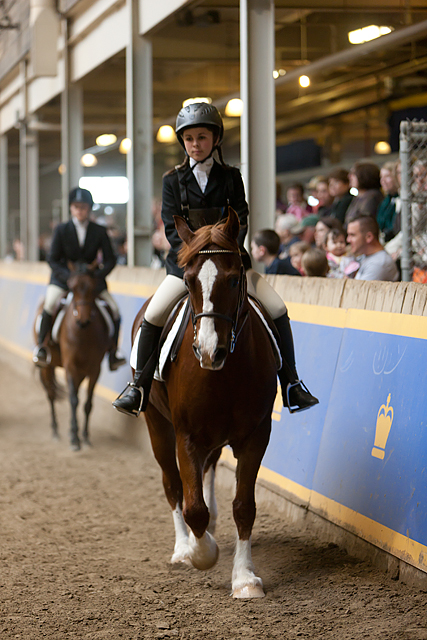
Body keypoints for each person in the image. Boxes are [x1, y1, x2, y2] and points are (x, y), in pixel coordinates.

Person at [113, 103, 318, 416]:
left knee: (277, 308)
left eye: (202, 137)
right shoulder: (173, 180)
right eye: (190, 139)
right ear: (183, 142)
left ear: (215, 139)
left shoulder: (231, 177)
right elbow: (171, 226)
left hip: (230, 265)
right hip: (186, 267)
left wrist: (223, 248)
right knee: (152, 315)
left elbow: (243, 219)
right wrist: (197, 249)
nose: (196, 145)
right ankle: (138, 386)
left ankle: (292, 383)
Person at [33, 187, 127, 371]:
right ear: (71, 209)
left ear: (89, 209)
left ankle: (114, 352)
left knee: (114, 309)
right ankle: (42, 347)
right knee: (50, 304)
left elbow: (110, 259)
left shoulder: (99, 231)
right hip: (64, 280)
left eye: (83, 207)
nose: (79, 211)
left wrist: (97, 276)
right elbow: (52, 258)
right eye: (76, 207)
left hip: (91, 282)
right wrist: (68, 277)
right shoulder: (61, 230)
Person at [346, 215, 399, 282]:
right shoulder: (366, 257)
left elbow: (359, 291)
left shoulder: (379, 263)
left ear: (369, 237)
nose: (348, 240)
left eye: (352, 235)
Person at [376, 161, 401, 244]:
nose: (383, 181)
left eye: (387, 176)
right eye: (381, 177)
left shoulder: (401, 199)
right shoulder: (386, 201)